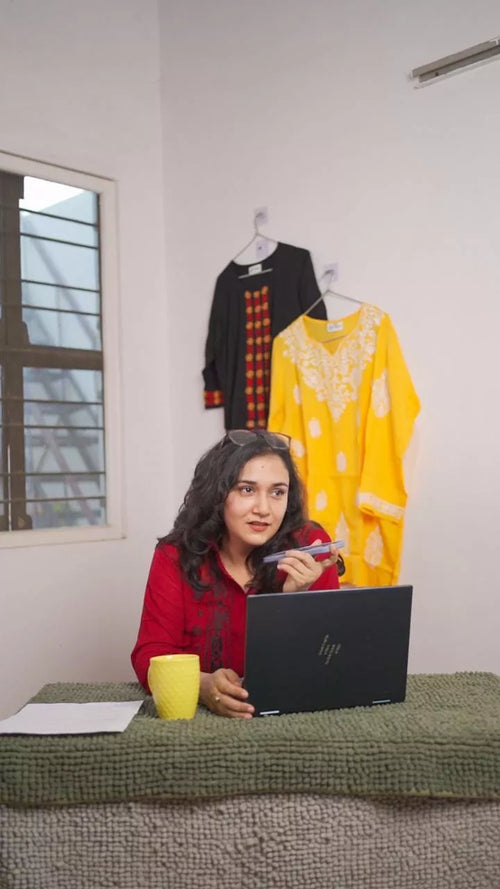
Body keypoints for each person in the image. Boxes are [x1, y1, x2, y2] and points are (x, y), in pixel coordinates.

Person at [131, 429, 341, 719]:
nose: (264, 509)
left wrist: (293, 601)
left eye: (277, 492)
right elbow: (150, 654)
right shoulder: (175, 555)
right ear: (217, 495)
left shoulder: (309, 547)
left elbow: (328, 662)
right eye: (247, 489)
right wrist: (202, 686)